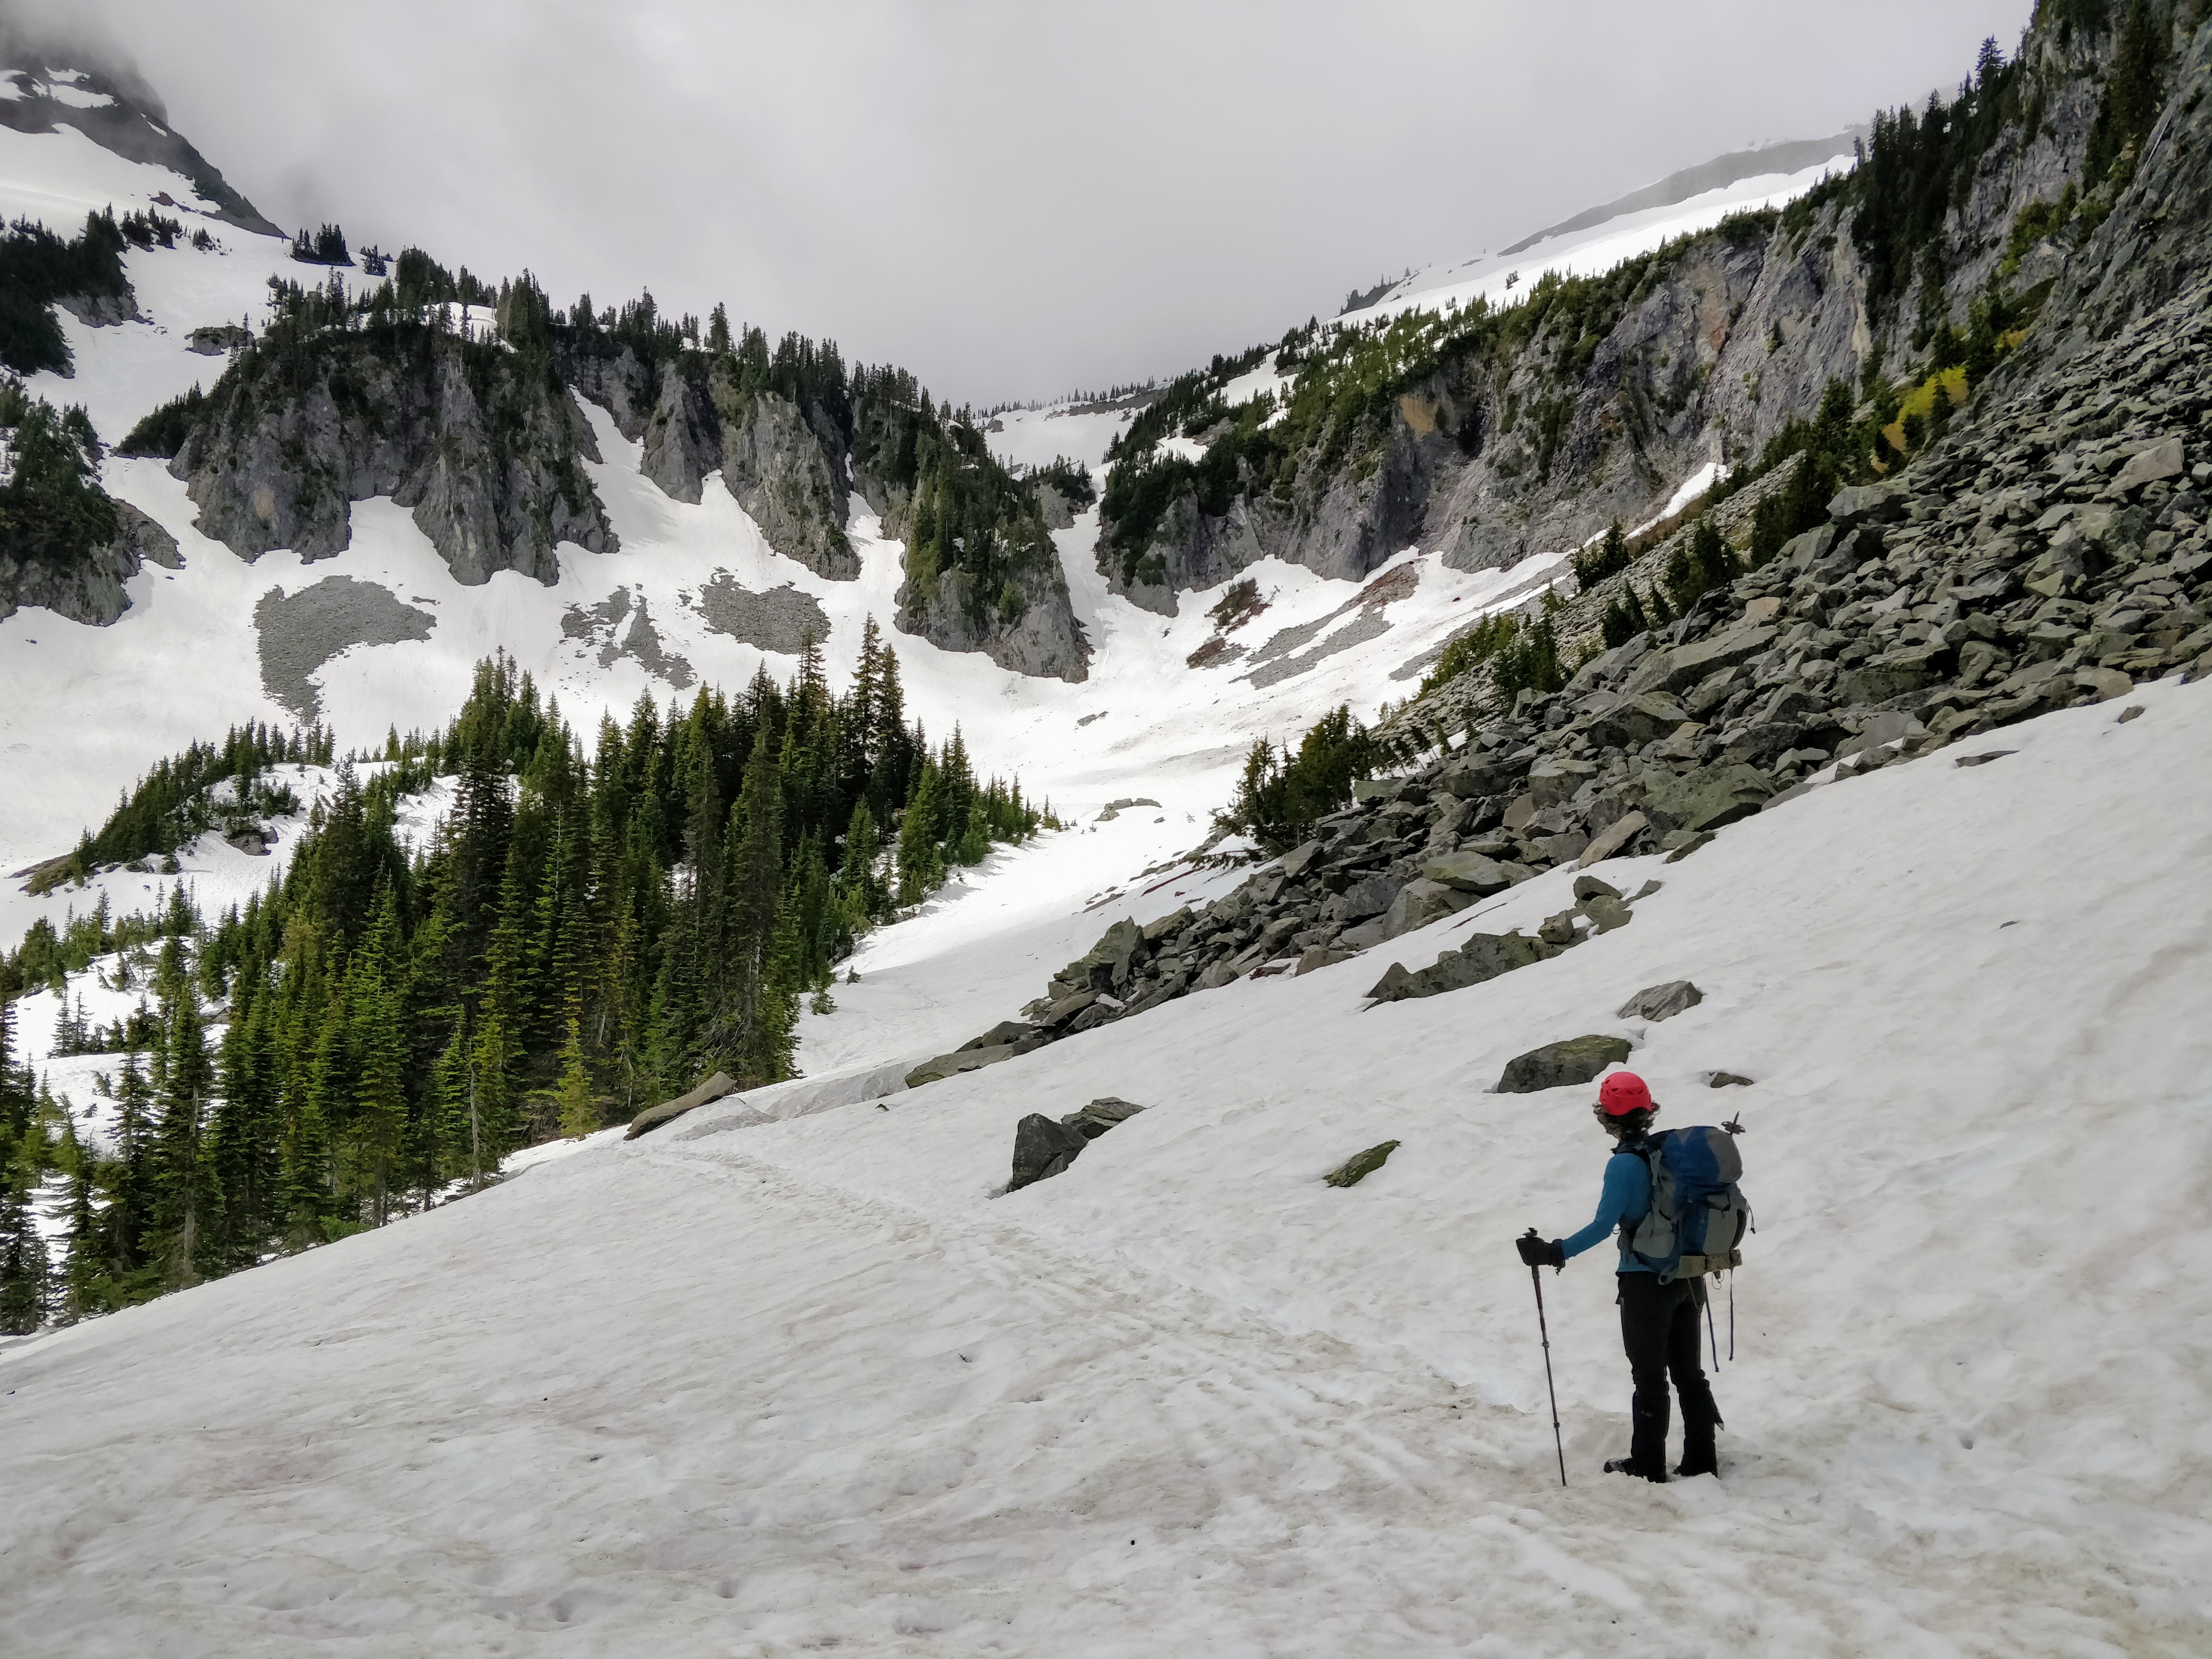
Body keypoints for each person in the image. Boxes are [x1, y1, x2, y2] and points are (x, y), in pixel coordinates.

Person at [1514, 1070, 1722, 1481]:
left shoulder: (1625, 1164)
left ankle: (1647, 1466)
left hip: (1645, 1283)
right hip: (1688, 1276)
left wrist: (1554, 1252)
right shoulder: (1668, 1154)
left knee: (1650, 1378)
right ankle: (1702, 1461)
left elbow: (1603, 1225)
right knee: (1689, 1375)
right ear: (1647, 1110)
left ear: (1606, 1116)